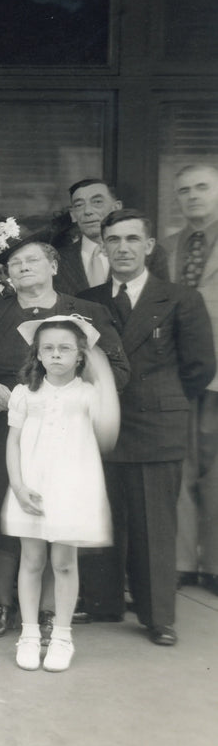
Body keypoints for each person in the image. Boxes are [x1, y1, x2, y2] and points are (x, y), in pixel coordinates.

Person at [0, 228, 128, 639]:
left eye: (32, 261)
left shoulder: (84, 310)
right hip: (4, 424)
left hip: (66, 427)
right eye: (15, 264)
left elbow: (115, 367)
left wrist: (75, 389)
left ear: (54, 266)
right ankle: (2, 603)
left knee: (55, 514)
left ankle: (47, 612)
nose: (24, 268)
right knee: (2, 508)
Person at [81, 209, 215, 645]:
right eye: (114, 239)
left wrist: (162, 400)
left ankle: (160, 617)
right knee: (103, 517)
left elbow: (200, 368)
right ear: (103, 246)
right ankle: (102, 604)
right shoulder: (88, 300)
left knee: (154, 526)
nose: (123, 248)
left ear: (149, 246)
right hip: (101, 423)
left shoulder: (180, 298)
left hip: (156, 426)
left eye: (132, 239)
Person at [3, 315, 120, 672]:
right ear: (37, 354)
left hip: (72, 486)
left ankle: (62, 636)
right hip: (32, 485)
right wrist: (19, 486)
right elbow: (13, 442)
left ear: (80, 355)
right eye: (48, 348)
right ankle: (28, 634)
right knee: (32, 561)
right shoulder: (25, 393)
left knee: (64, 563)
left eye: (65, 348)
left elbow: (109, 433)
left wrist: (102, 372)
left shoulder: (87, 394)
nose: (56, 355)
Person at [170, 162, 218, 594]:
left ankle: (215, 567)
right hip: (183, 373)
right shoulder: (171, 245)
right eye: (184, 190)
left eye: (202, 187)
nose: (193, 196)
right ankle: (183, 561)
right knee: (182, 469)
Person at [57, 179, 169, 295]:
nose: (88, 211)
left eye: (97, 202)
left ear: (116, 207)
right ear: (73, 215)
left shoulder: (150, 253)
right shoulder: (56, 259)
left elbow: (163, 300)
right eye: (79, 205)